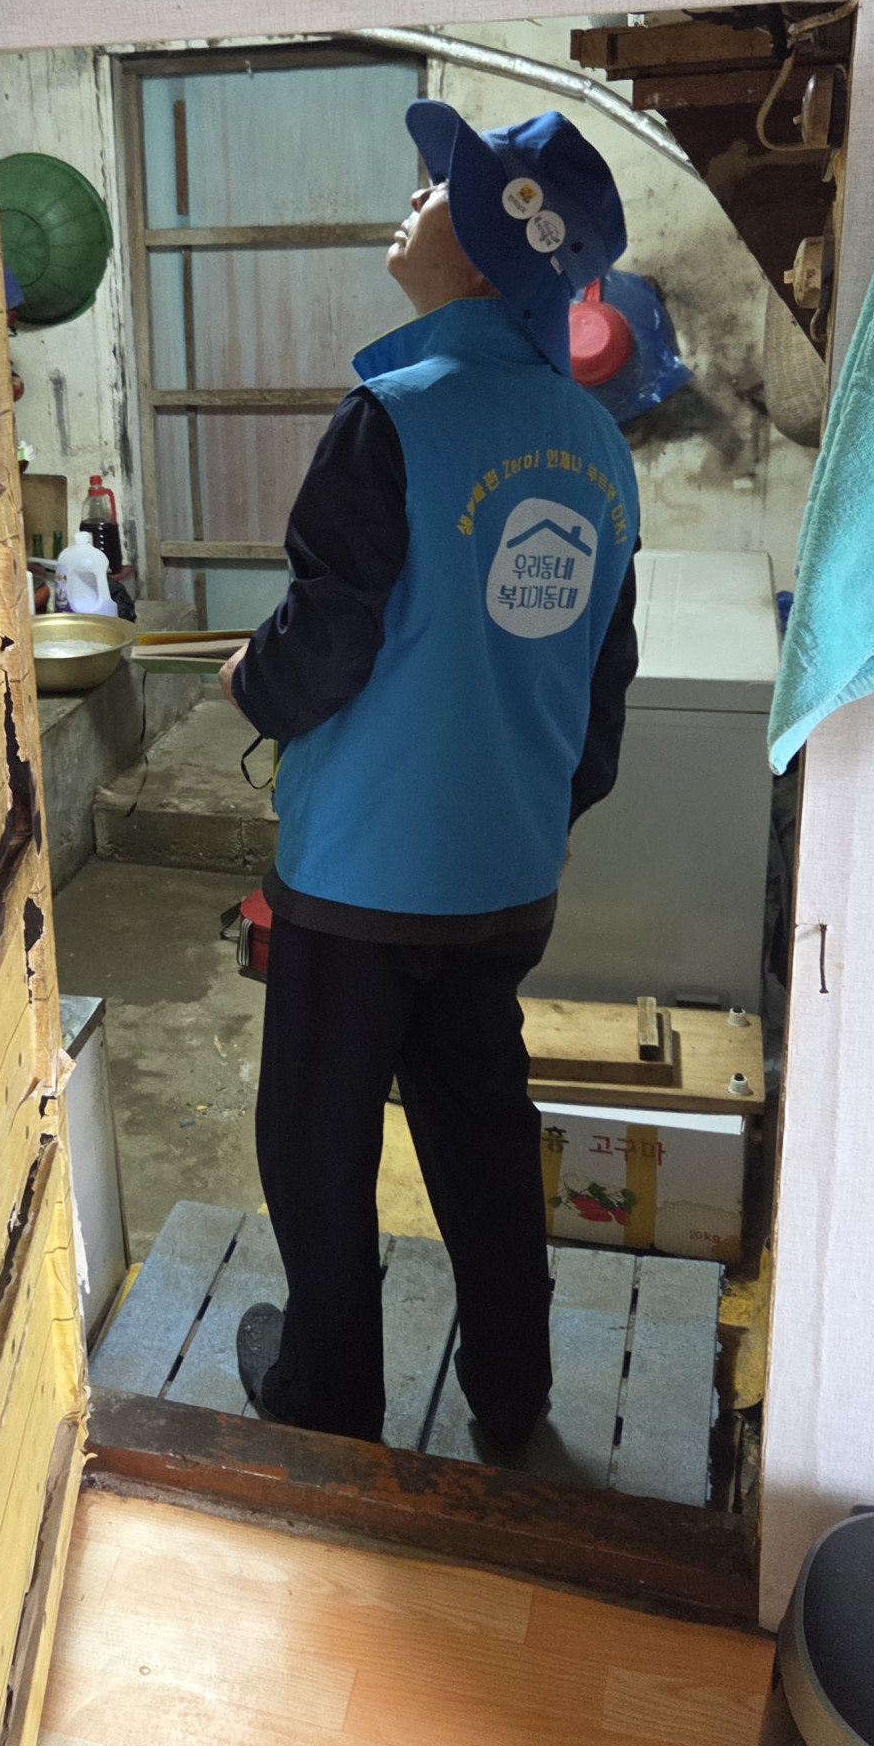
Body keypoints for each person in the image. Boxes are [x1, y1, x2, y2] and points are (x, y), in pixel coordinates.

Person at [219, 98, 641, 1447]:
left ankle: (330, 1396)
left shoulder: (392, 419)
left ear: (495, 243)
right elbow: (603, 687)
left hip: (360, 878)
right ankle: (512, 1398)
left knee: (318, 1145)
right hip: (505, 880)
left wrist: (249, 684)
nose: (414, 200)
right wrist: (535, 813)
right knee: (479, 1129)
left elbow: (325, 645)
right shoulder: (600, 449)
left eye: (440, 186)